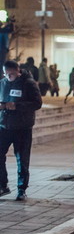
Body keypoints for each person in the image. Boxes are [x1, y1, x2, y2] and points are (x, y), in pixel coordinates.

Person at [0, 61, 42, 200]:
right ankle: (3, 185)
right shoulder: (3, 83)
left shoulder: (28, 83)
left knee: (22, 159)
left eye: (11, 74)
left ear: (18, 71)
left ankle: (21, 189)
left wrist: (17, 105)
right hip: (4, 126)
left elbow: (37, 103)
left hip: (22, 127)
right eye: (6, 74)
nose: (8, 76)